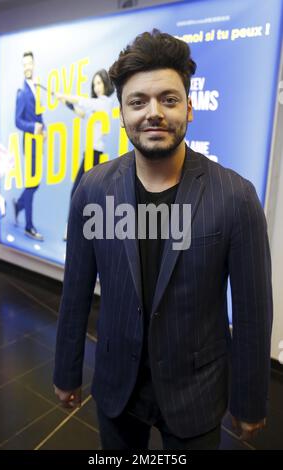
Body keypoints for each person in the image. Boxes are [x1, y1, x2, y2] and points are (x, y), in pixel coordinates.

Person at [54, 30, 273, 450]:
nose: (153, 113)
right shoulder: (93, 189)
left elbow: (252, 312)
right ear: (121, 113)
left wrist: (250, 399)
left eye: (168, 99)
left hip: (197, 391)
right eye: (138, 102)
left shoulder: (235, 196)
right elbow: (75, 293)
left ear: (189, 109)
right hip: (117, 386)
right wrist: (66, 371)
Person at [56, 69, 114, 199]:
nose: (96, 87)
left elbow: (82, 101)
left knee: (77, 192)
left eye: (99, 83)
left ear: (105, 83)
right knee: (86, 194)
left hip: (94, 154)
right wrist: (64, 102)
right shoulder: (96, 105)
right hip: (90, 153)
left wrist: (64, 96)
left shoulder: (105, 102)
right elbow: (82, 113)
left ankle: (75, 220)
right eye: (94, 84)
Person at [13, 51, 45, 241]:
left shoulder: (35, 89)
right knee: (32, 183)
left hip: (38, 141)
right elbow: (17, 121)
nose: (27, 67)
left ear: (33, 65)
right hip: (30, 143)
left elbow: (38, 114)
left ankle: (18, 205)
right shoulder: (22, 93)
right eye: (24, 64)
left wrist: (45, 128)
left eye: (29, 64)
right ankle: (29, 226)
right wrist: (34, 127)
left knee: (35, 182)